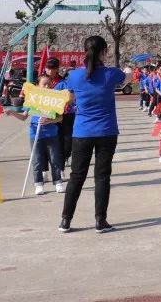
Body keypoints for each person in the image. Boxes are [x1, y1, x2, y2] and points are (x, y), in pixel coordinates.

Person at [59, 36, 133, 233]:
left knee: (76, 176)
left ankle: (66, 220)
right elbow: (128, 79)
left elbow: (71, 96)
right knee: (102, 177)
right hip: (106, 131)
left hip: (82, 131)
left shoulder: (74, 76)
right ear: (104, 52)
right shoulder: (111, 74)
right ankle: (100, 221)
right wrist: (128, 71)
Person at [5, 73, 64, 195]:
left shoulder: (54, 99)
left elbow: (60, 118)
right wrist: (12, 113)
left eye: (49, 84)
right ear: (38, 85)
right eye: (44, 84)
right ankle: (38, 184)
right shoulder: (32, 99)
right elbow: (23, 117)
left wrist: (49, 120)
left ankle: (58, 182)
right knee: (37, 160)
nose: (47, 86)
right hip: (35, 133)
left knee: (54, 159)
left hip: (51, 134)